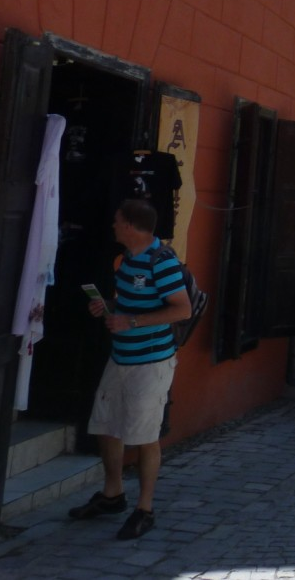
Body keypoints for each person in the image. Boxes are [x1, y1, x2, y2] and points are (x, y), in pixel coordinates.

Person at [69, 199, 191, 540]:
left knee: (144, 436)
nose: (112, 225)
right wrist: (107, 306)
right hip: (120, 357)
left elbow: (182, 310)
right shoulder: (125, 261)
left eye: (117, 221)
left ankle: (145, 509)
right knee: (106, 425)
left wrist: (131, 321)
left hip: (151, 362)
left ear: (132, 226)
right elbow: (126, 303)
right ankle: (112, 495)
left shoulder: (162, 262)